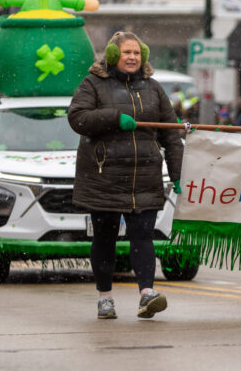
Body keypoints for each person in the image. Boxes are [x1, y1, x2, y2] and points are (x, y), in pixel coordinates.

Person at [68, 31, 184, 320]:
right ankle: (105, 297)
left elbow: (171, 134)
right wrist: (113, 118)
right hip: (104, 177)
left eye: (136, 53)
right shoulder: (93, 84)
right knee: (105, 239)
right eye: (126, 52)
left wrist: (179, 173)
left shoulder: (154, 88)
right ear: (111, 56)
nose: (132, 57)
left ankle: (147, 294)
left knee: (143, 236)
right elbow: (77, 118)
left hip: (144, 177)